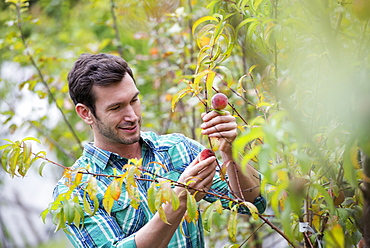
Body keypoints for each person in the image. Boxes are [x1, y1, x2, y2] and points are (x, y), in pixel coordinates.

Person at [54, 53, 266, 248]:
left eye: (134, 101)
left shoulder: (176, 149)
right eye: (116, 107)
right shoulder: (74, 191)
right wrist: (180, 199)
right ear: (85, 113)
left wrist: (230, 152)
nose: (132, 116)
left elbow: (252, 203)